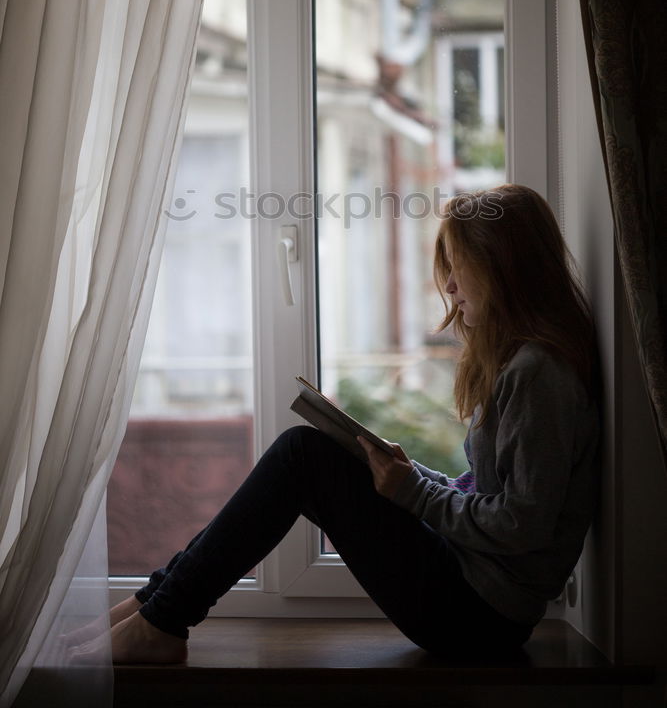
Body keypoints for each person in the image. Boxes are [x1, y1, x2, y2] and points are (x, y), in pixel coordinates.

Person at [71, 183, 600, 664]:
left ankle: (161, 618)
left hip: (479, 616)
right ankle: (155, 605)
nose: (450, 285)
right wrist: (411, 478)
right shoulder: (524, 364)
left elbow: (522, 524)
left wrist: (415, 495)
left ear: (503, 269)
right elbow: (492, 495)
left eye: (460, 267)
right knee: (316, 453)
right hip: (472, 593)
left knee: (302, 455)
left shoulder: (539, 372)